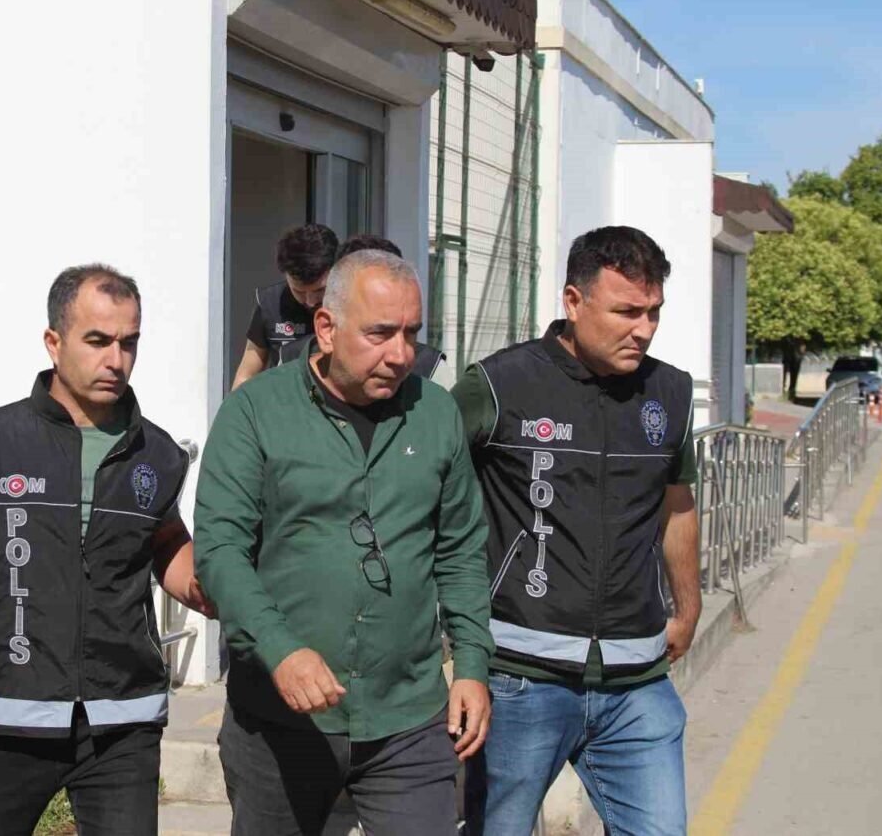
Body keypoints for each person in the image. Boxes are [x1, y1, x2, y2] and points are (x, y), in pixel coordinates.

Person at [0, 264, 213, 836]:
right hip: (4, 709)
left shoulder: (159, 454)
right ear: (54, 341)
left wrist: (202, 584)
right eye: (98, 341)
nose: (116, 359)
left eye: (129, 343)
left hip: (123, 716)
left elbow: (166, 544)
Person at [195, 250, 494, 836]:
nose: (401, 354)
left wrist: (472, 664)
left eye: (411, 334)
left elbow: (460, 550)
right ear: (326, 328)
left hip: (407, 719)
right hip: (281, 722)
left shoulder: (436, 413)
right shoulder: (254, 412)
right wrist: (280, 648)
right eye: (380, 333)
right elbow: (220, 550)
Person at [454, 226, 701, 836]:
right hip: (520, 678)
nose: (643, 329)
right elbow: (428, 488)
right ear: (573, 300)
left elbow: (677, 506)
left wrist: (688, 607)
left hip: (637, 682)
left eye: (653, 312)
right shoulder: (500, 384)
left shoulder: (670, 393)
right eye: (626, 312)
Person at [275, 235, 450, 385]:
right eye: (379, 333)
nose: (399, 357)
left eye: (411, 332)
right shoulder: (291, 361)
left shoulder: (431, 369)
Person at [231, 223, 339, 391]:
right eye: (299, 291)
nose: (310, 301)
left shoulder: (353, 303)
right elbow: (247, 374)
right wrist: (235, 407)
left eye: (320, 290)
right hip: (285, 399)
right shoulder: (269, 304)